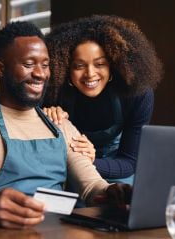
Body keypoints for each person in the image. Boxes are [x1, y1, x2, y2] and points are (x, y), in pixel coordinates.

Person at [0, 21, 130, 229]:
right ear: (0, 69)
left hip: (55, 232)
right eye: (28, 64)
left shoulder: (60, 124)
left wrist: (111, 192)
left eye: (45, 64)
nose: (40, 74)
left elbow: (91, 187)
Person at [43, 15, 163, 185]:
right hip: (70, 170)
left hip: (118, 172)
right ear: (65, 68)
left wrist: (91, 160)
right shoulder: (54, 94)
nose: (90, 74)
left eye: (99, 64)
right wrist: (46, 118)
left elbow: (129, 162)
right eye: (79, 66)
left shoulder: (137, 95)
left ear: (113, 64)